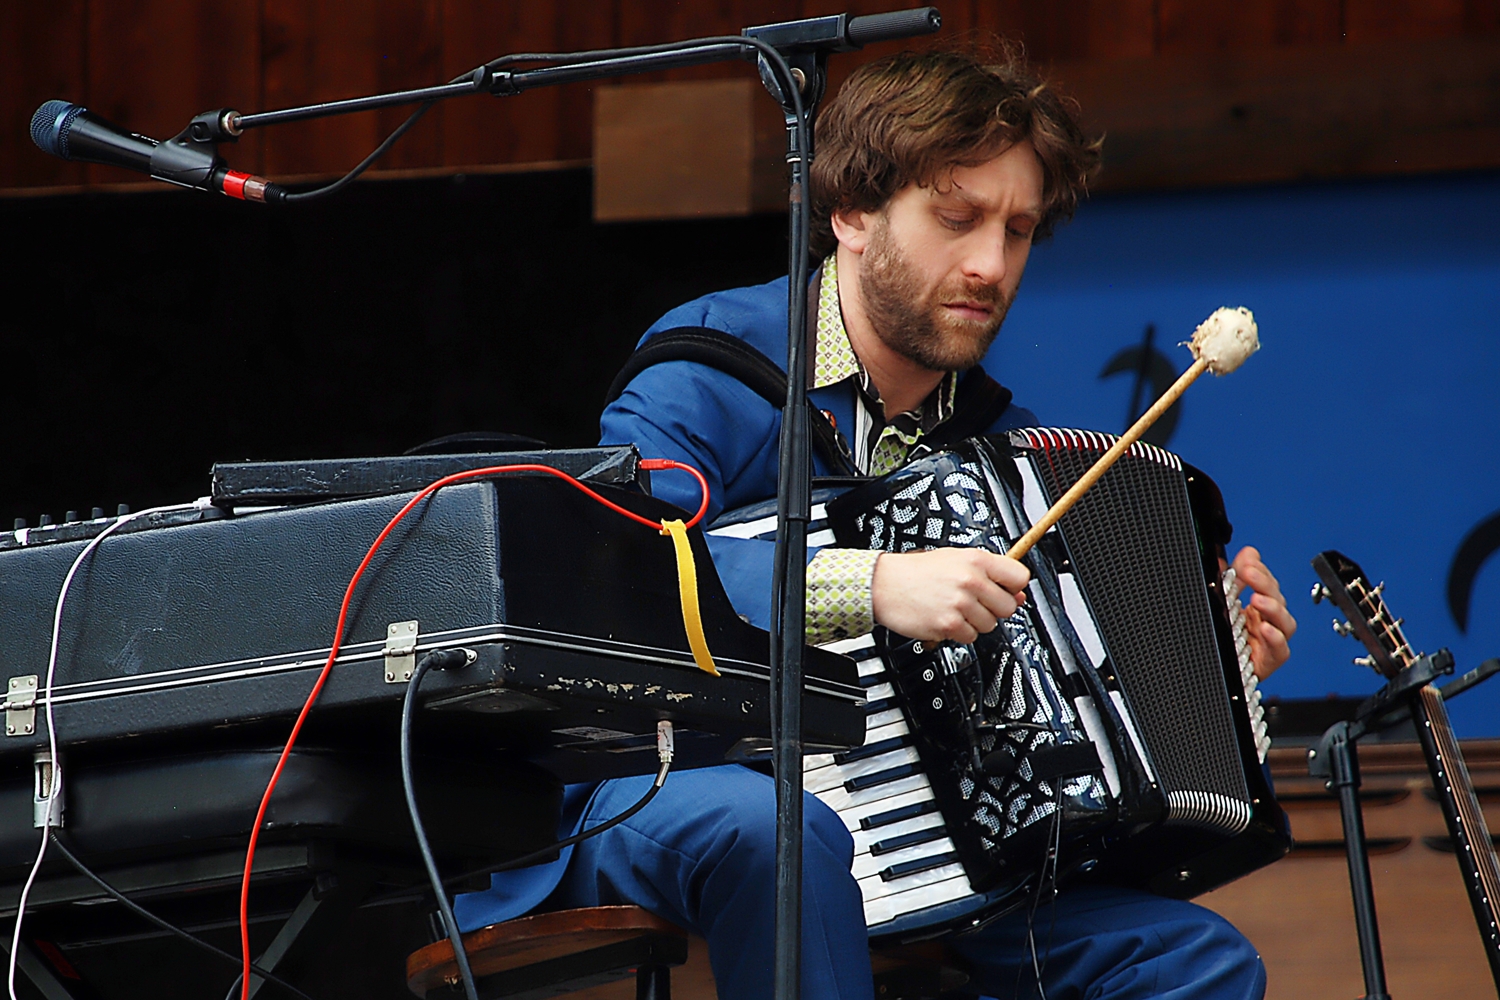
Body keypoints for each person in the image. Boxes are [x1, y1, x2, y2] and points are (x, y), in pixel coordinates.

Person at [456, 47, 1298, 1000]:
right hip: (662, 784)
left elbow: (1053, 690)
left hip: (929, 844)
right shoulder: (712, 371)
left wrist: (1209, 662)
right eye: (957, 218)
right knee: (779, 830)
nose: (990, 264)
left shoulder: (1002, 447)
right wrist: (873, 583)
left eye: (1018, 230)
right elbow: (623, 569)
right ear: (853, 213)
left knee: (1195, 962)